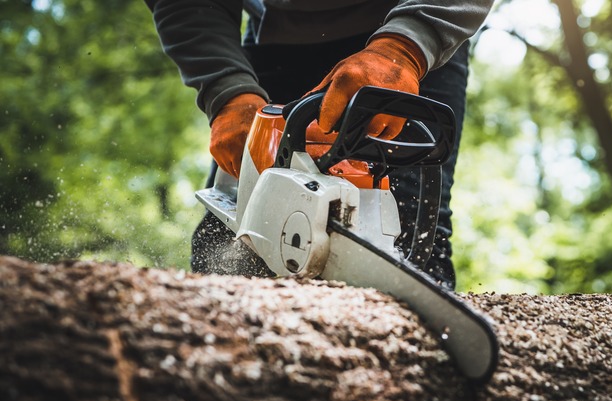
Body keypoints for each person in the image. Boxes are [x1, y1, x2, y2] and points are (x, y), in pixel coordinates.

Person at [144, 0, 493, 290]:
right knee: (236, 229)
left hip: (413, 25)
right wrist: (228, 90)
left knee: (413, 226)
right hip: (275, 40)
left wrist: (405, 47)